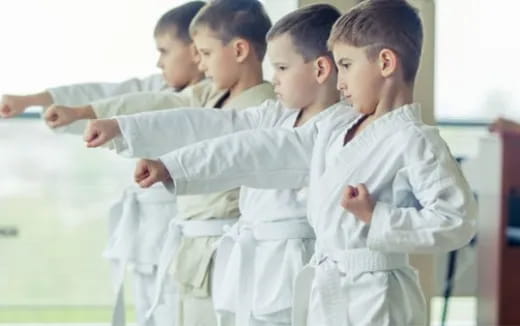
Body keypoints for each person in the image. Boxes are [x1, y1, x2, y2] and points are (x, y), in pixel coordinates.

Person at [89, 1, 477, 325]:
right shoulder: (334, 127)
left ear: (386, 63)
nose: (338, 80)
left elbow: (456, 220)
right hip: (328, 289)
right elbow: (257, 148)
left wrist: (378, 217)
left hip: (378, 296)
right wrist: (174, 165)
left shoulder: (415, 140)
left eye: (344, 65)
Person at [83, 5, 342, 325]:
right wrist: (125, 128)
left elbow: (247, 151)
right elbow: (214, 125)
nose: (273, 79)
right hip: (257, 270)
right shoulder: (278, 114)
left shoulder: (335, 130)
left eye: (282, 68)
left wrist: (172, 166)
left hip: (294, 269)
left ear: (320, 70)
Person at [1, 3, 206, 326]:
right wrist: (33, 100)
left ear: (196, 51)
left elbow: (120, 105)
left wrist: (86, 113)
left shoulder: (208, 101)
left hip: (183, 234)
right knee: (149, 309)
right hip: (147, 235)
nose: (158, 61)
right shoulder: (157, 87)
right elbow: (106, 94)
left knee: (174, 310)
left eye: (165, 51)